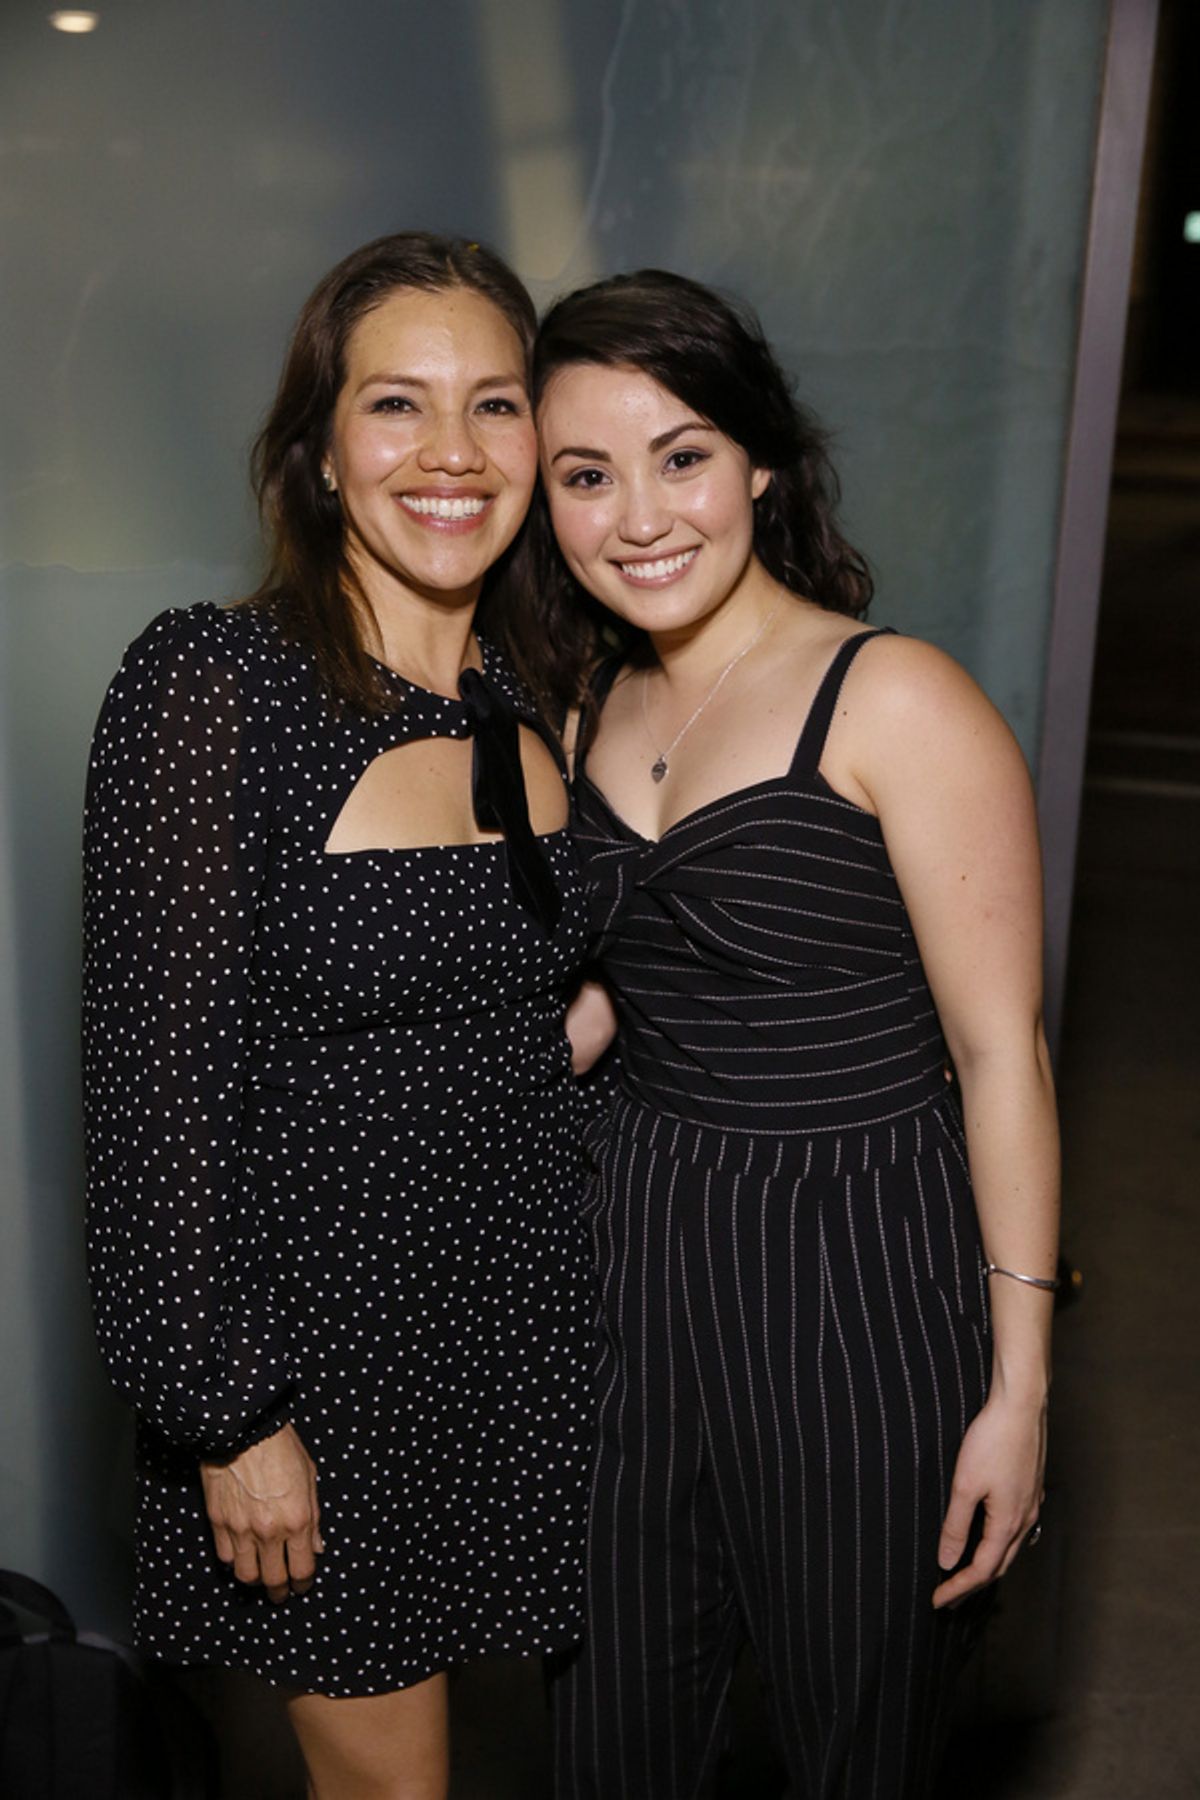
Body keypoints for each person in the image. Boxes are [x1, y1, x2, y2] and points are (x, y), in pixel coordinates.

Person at [532, 269, 1060, 1799]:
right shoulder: (582, 707)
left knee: (855, 1740)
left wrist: (1020, 1391)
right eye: (586, 475)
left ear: (760, 460)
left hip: (855, 1266)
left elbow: (1002, 1055)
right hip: (633, 1257)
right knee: (610, 1734)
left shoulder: (897, 700)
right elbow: (617, 992)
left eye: (681, 456)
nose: (639, 516)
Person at [82, 232, 596, 1800]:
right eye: (396, 404)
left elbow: (530, 1023)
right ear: (319, 450)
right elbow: (151, 1095)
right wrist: (228, 1415)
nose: (453, 451)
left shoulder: (539, 694)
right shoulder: (219, 684)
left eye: (494, 405)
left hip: (515, 1349)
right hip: (320, 1371)